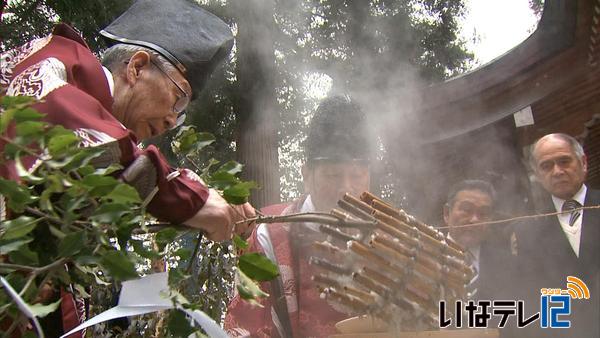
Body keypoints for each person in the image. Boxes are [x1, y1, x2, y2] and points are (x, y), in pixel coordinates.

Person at [1, 0, 255, 336]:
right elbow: (69, 124)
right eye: (178, 99)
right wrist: (185, 197)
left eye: (181, 116)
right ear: (136, 67)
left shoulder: (102, 163)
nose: (170, 121)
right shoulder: (57, 61)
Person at [225, 95, 372, 337]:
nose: (346, 188)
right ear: (306, 174)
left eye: (357, 176)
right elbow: (247, 325)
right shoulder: (269, 235)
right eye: (333, 175)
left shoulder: (389, 236)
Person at [513, 133, 599, 338]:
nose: (557, 171)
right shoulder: (528, 232)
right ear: (537, 174)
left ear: (583, 162)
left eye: (564, 161)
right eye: (547, 166)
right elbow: (535, 295)